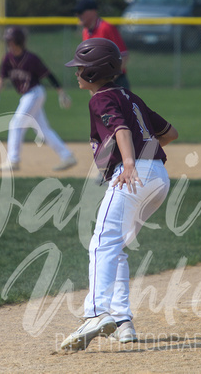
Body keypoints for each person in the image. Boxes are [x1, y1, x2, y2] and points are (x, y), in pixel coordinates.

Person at [60, 38, 179, 350]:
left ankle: (96, 314)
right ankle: (122, 320)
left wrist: (129, 162)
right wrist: (143, 158)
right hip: (158, 177)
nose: (76, 73)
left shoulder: (100, 99)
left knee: (102, 242)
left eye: (80, 68)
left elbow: (120, 129)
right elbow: (169, 134)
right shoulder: (131, 95)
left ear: (92, 72)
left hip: (132, 176)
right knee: (117, 246)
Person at [0, 26, 77, 172]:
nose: (8, 44)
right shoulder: (8, 59)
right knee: (42, 130)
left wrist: (61, 93)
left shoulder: (31, 59)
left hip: (35, 93)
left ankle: (14, 160)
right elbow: (1, 77)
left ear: (17, 41)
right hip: (27, 96)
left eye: (10, 41)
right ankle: (67, 156)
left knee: (16, 123)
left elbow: (48, 75)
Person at [73, 0, 131, 89]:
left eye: (81, 12)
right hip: (97, 83)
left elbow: (123, 55)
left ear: (93, 11)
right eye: (76, 12)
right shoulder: (85, 31)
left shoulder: (106, 28)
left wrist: (108, 80)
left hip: (116, 81)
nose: (78, 15)